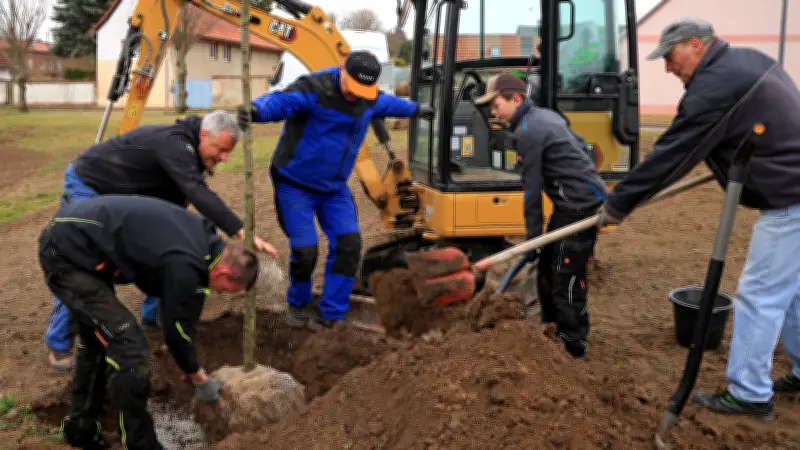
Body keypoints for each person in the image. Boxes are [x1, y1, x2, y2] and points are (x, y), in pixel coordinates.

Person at [596, 18, 800, 418]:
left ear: (696, 45)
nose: (668, 67)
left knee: (761, 294)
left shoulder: (715, 85)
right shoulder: (748, 61)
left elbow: (673, 153)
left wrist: (618, 203)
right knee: (791, 292)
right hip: (794, 189)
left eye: (670, 57)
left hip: (790, 200)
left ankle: (750, 393)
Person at [43, 110, 276, 371]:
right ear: (203, 135)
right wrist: (239, 229)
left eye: (228, 152)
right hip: (92, 185)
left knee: (166, 252)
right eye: (220, 150)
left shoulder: (195, 151)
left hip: (131, 196)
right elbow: (195, 191)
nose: (224, 158)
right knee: (85, 264)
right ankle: (58, 343)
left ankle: (153, 319)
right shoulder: (175, 145)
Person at [38, 194, 268, 450]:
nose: (222, 293)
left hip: (84, 243)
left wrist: (188, 361)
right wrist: (198, 377)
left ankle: (80, 431)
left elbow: (186, 313)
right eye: (227, 289)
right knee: (128, 345)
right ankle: (141, 444)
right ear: (224, 272)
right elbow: (173, 328)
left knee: (98, 339)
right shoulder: (185, 265)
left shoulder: (206, 242)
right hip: (67, 255)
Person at [237, 50, 435, 330]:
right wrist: (256, 110)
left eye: (363, 91)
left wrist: (417, 109)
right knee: (305, 250)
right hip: (295, 185)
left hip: (333, 189)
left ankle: (331, 314)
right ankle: (298, 303)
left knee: (349, 244)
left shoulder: (368, 97)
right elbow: (282, 101)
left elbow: (390, 103)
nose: (356, 96)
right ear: (342, 69)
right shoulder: (315, 89)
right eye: (352, 88)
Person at [474, 72, 608, 359]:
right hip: (569, 206)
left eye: (496, 105)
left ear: (516, 99)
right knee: (547, 271)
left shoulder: (528, 132)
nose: (493, 113)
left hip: (580, 208)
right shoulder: (545, 116)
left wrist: (532, 238)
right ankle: (550, 332)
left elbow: (531, 191)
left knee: (566, 278)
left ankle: (574, 347)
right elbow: (582, 146)